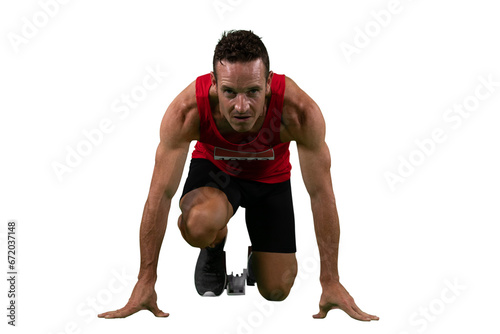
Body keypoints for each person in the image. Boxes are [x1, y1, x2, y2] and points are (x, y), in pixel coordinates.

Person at [98, 30, 379, 321]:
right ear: (214, 83)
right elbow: (160, 194)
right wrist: (146, 281)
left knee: (277, 289)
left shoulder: (299, 113)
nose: (241, 106)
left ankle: (258, 255)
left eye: (253, 92)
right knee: (199, 223)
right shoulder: (187, 111)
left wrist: (329, 280)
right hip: (217, 176)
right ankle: (213, 244)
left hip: (270, 181)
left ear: (269, 83)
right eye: (229, 92)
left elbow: (321, 194)